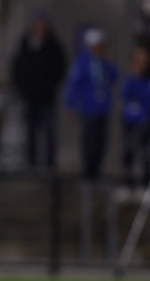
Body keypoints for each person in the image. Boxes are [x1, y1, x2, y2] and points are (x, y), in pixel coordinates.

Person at [11, 8, 66, 172]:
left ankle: (49, 165)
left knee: (49, 131)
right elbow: (17, 67)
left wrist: (50, 85)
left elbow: (60, 68)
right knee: (30, 132)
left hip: (47, 96)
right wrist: (22, 88)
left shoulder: (54, 46)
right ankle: (32, 164)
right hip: (29, 96)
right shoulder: (25, 43)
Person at [65, 27, 118, 179]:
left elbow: (114, 76)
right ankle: (88, 171)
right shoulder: (82, 62)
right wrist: (71, 104)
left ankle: (97, 170)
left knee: (101, 140)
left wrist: (108, 62)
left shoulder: (105, 62)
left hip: (103, 108)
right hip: (89, 108)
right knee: (90, 140)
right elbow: (74, 84)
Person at [120, 42, 150, 189]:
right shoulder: (130, 77)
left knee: (145, 152)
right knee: (129, 149)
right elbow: (125, 94)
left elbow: (146, 98)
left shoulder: (146, 79)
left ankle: (145, 180)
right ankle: (128, 179)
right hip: (130, 120)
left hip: (145, 120)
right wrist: (134, 78)